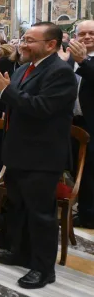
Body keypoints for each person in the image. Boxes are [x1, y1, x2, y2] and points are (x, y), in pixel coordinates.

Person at [0, 22, 77, 289]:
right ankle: (19, 251)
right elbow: (11, 102)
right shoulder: (25, 68)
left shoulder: (60, 72)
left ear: (51, 44)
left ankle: (43, 269)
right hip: (19, 151)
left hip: (42, 156)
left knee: (41, 215)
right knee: (19, 207)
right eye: (23, 39)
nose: (23, 44)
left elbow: (41, 108)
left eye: (30, 40)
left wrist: (6, 90)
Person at [67, 20, 94, 229]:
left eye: (91, 33)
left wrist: (84, 61)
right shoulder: (70, 60)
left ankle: (90, 214)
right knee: (79, 170)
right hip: (72, 122)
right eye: (82, 34)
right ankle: (84, 212)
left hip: (91, 123)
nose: (86, 37)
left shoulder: (82, 60)